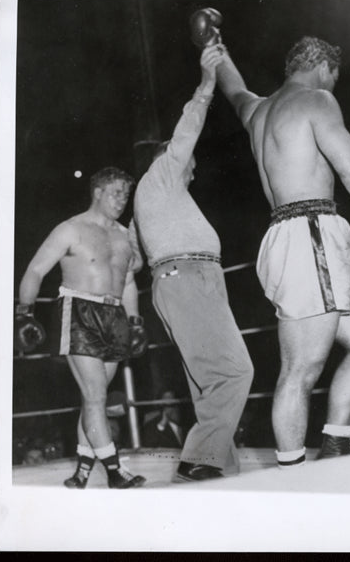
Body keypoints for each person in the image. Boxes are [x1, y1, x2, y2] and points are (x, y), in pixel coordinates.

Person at [189, 9, 350, 468]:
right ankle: (293, 475)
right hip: (311, 236)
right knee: (299, 370)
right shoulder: (316, 100)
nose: (334, 86)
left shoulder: (258, 109)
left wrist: (214, 48)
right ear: (323, 67)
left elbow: (232, 89)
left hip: (299, 241)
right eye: (334, 77)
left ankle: (335, 443)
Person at [131, 44, 254, 481]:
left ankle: (219, 463)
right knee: (238, 370)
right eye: (191, 165)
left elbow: (129, 261)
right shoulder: (163, 172)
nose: (193, 172)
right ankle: (199, 460)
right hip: (188, 277)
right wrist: (206, 83)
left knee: (207, 379)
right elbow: (187, 131)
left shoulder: (150, 202)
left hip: (181, 281)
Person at [15, 167, 149, 488]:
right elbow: (35, 269)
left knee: (96, 400)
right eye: (116, 192)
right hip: (78, 310)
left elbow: (129, 282)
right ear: (98, 192)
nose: (122, 200)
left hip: (115, 315)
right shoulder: (70, 229)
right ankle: (116, 470)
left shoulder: (123, 236)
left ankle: (82, 472)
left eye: (126, 195)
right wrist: (24, 312)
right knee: (95, 393)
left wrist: (134, 321)